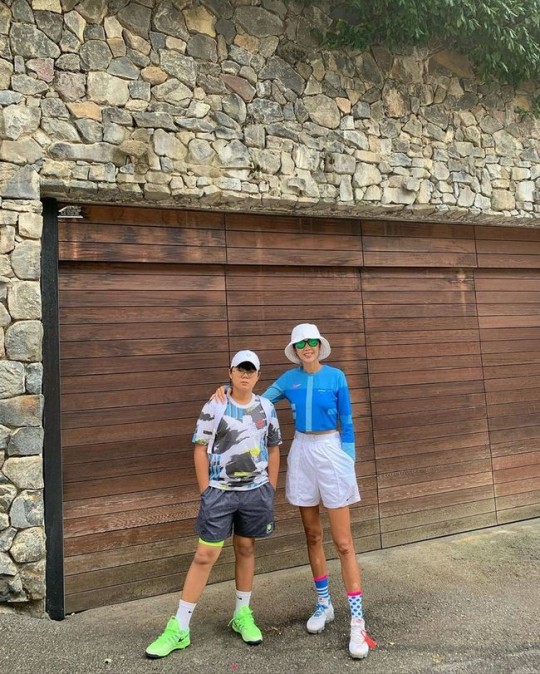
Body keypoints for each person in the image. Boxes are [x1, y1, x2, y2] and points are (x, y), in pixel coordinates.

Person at [212, 324, 375, 659]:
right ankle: (323, 604)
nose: (307, 347)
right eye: (301, 343)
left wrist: (348, 458)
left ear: (319, 344)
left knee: (343, 542)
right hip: (301, 450)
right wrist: (229, 389)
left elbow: (347, 420)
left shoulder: (336, 376)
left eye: (312, 341)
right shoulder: (289, 379)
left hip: (331, 450)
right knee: (312, 535)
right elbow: (257, 400)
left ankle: (357, 621)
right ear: (295, 349)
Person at [145, 350, 281, 659]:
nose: (245, 374)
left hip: (256, 492)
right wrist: (206, 490)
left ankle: (242, 615)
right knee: (205, 555)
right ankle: (179, 628)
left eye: (250, 370)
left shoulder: (266, 407)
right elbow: (200, 448)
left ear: (258, 376)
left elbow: (273, 447)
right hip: (219, 493)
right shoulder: (215, 405)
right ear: (230, 372)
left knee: (246, 548)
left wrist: (270, 487)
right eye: (240, 369)